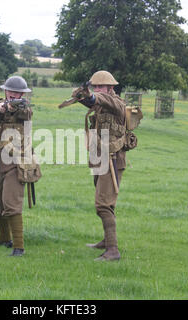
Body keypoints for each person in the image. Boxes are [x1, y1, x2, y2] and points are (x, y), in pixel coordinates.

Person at [74, 70, 128, 261]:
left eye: (100, 86)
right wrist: (82, 94)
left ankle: (113, 250)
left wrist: (93, 95)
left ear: (111, 88)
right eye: (94, 86)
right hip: (99, 158)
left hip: (112, 159)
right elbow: (91, 100)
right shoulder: (99, 103)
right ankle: (107, 241)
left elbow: (103, 101)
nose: (96, 89)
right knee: (106, 202)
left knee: (103, 205)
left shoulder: (117, 103)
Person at [0, 76, 34, 257]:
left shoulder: (25, 107)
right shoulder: (1, 104)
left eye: (17, 93)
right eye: (11, 92)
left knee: (12, 203)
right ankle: (4, 239)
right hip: (0, 161)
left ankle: (19, 247)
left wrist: (13, 107)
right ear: (6, 92)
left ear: (23, 94)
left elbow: (25, 114)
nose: (13, 95)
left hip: (17, 162)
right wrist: (2, 107)